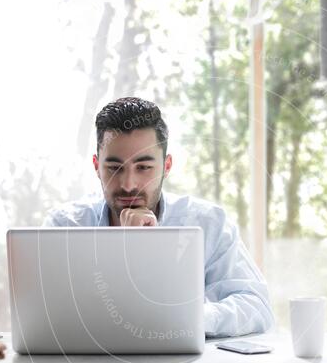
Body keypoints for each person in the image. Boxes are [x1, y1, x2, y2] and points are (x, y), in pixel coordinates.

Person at [43, 97, 275, 338]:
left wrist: (186, 320)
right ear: (96, 166)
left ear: (166, 166)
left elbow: (256, 306)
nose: (129, 184)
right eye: (114, 168)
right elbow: (41, 312)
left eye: (143, 167)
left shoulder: (209, 224)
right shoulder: (65, 226)